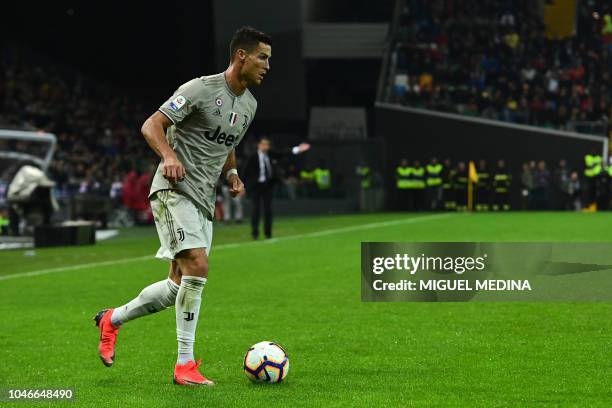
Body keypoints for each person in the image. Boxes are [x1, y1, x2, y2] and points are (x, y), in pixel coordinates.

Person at [93, 26, 271, 386]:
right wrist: (169, 154)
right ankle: (184, 366)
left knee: (178, 284)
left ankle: (111, 319)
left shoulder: (249, 104)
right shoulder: (200, 89)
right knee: (198, 265)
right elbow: (151, 125)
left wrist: (232, 172)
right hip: (173, 191)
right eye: (262, 57)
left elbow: (228, 140)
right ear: (241, 56)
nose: (267, 65)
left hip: (204, 199)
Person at [244, 136, 310, 239]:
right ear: (259, 145)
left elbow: (282, 153)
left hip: (268, 186)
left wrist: (297, 149)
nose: (266, 147)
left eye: (267, 144)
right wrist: (243, 187)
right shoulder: (252, 157)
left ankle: (268, 233)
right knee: (255, 210)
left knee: (268, 210)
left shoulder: (270, 154)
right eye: (264, 144)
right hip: (256, 187)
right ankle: (255, 233)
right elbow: (245, 172)